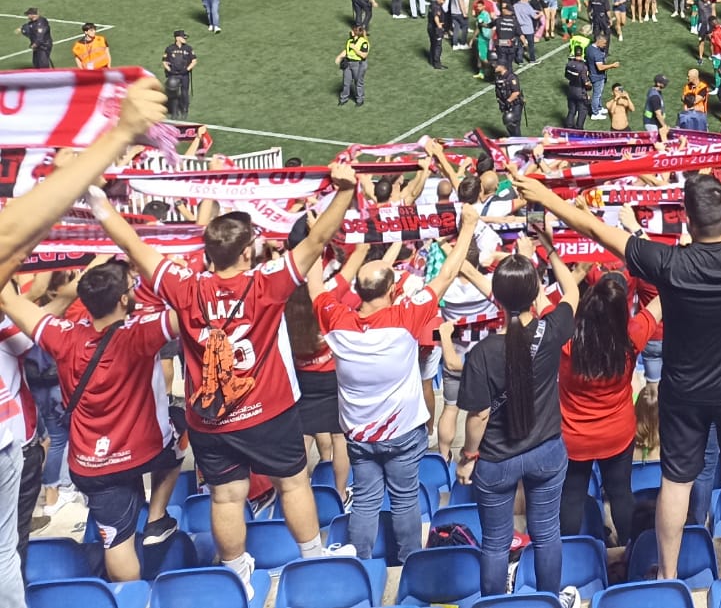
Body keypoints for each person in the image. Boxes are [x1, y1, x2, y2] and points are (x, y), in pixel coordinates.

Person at [523, 121, 721, 579]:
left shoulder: (669, 262)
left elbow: (595, 228)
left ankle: (668, 575)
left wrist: (547, 197)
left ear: (687, 222)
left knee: (676, 482)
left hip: (684, 393)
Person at [95, 163, 359, 585]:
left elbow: (130, 242)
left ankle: (236, 579)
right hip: (267, 412)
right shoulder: (267, 282)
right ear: (247, 252)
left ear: (208, 253)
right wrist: (345, 190)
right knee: (293, 485)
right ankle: (313, 560)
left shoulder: (183, 285)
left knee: (225, 497)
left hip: (210, 420)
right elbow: (318, 240)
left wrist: (96, 198)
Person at [312, 206, 481, 564]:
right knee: (405, 499)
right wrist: (467, 227)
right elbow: (447, 273)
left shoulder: (336, 321)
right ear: (392, 289)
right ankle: (409, 564)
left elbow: (314, 286)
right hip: (403, 433)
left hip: (359, 434)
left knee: (365, 500)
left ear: (357, 291)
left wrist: (316, 236)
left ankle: (359, 564)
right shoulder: (405, 317)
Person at [0, 259, 183, 581]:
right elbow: (195, 307)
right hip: (142, 452)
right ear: (123, 299)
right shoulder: (141, 332)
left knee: (117, 541)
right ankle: (157, 517)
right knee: (182, 424)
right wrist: (173, 269)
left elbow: (8, 299)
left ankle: (127, 598)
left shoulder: (61, 334)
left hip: (91, 464)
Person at [457, 245, 581, 597]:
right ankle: (549, 601)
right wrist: (548, 251)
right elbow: (572, 291)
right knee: (547, 533)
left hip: (497, 461)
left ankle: (495, 604)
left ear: (495, 298)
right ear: (536, 293)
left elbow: (479, 415)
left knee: (495, 544)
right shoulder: (552, 329)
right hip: (547, 452)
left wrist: (468, 456)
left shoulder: (482, 353)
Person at [558, 264, 663, 546]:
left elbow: (541, 300)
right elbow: (661, 301)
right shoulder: (632, 336)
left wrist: (557, 259)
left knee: (571, 496)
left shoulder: (565, 338)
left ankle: (570, 555)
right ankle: (630, 551)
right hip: (617, 435)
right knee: (620, 493)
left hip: (573, 437)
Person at [162, 29, 197, 118]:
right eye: (183, 37)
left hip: (184, 75)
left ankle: (185, 110)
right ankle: (174, 112)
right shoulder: (170, 49)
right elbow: (164, 62)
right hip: (173, 75)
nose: (185, 39)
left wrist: (187, 69)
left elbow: (194, 61)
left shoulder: (188, 48)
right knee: (173, 94)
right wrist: (169, 70)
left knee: (184, 93)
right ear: (177, 38)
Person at [586, 33, 620, 120]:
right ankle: (595, 113)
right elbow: (600, 67)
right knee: (597, 95)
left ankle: (599, 108)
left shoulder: (589, 48)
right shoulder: (596, 53)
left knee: (599, 93)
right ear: (599, 41)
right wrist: (612, 65)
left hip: (592, 74)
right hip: (597, 76)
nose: (605, 45)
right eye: (604, 43)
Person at [337, 26, 370, 106]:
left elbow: (364, 55)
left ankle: (360, 100)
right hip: (348, 63)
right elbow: (347, 50)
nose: (351, 31)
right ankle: (343, 99)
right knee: (346, 82)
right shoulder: (350, 40)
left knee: (358, 83)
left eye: (352, 30)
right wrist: (340, 56)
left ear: (356, 33)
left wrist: (354, 48)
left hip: (358, 64)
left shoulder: (364, 42)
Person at [494, 61, 524, 137]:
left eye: (497, 66)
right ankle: (513, 139)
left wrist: (508, 101)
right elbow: (498, 92)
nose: (494, 67)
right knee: (508, 123)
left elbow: (516, 92)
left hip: (515, 104)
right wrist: (501, 103)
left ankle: (518, 141)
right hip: (506, 105)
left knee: (514, 124)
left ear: (502, 67)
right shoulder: (498, 77)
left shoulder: (511, 77)